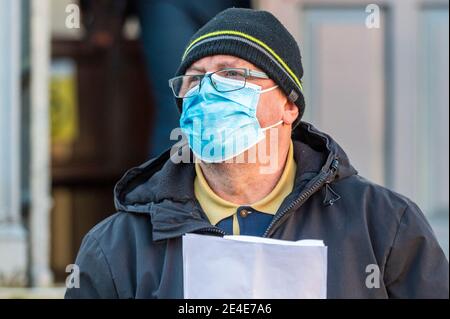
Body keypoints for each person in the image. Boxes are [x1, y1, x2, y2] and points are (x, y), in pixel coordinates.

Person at [65, 8, 449, 299]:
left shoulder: (381, 225)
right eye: (195, 79)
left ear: (289, 106)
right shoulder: (118, 246)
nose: (206, 91)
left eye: (232, 75)